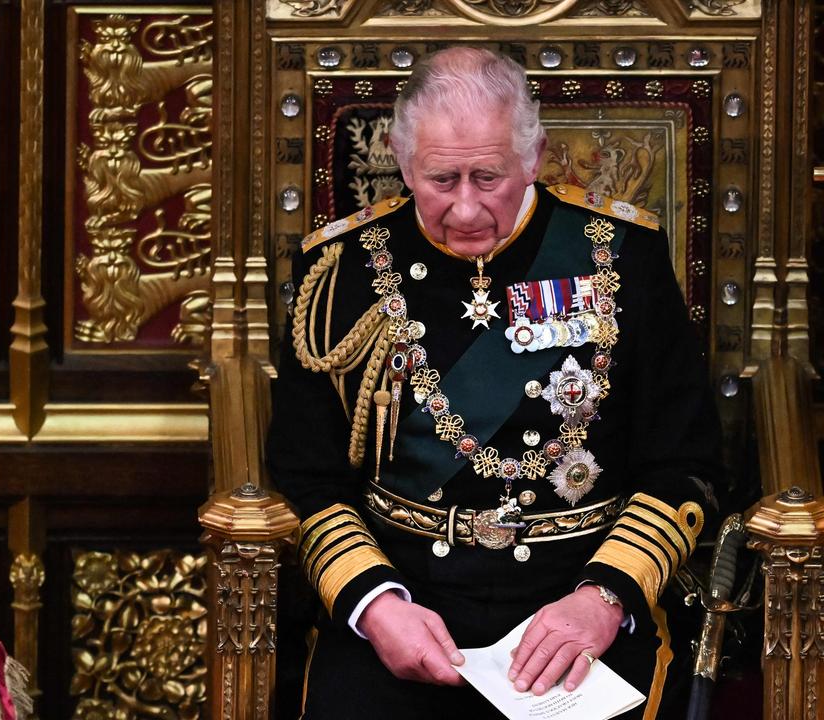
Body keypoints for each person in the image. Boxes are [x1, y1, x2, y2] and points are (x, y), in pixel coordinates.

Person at [267, 46, 722, 719]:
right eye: (439, 179)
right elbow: (306, 475)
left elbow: (686, 464)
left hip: (577, 599)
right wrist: (374, 604)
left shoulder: (622, 255)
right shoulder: (339, 272)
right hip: (403, 599)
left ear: (534, 157)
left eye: (488, 176)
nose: (465, 208)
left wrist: (605, 598)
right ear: (400, 156)